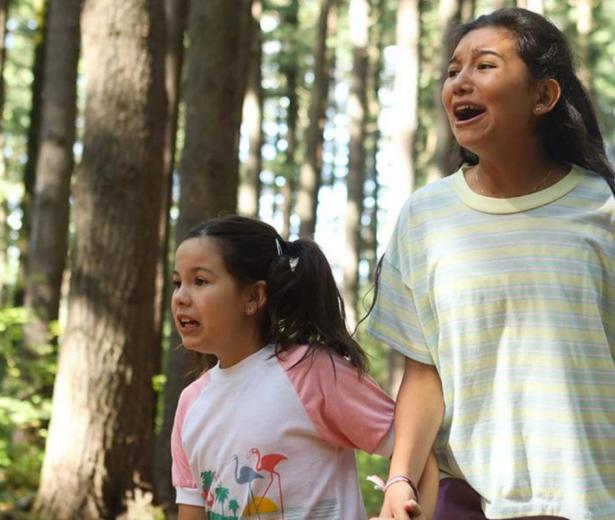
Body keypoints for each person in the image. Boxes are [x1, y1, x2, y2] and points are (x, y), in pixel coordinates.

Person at [368, 7, 615, 520]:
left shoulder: (604, 207)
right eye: (453, 69)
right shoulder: (424, 216)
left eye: (484, 66)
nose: (460, 82)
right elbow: (424, 370)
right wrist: (399, 480)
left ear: (544, 96)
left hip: (596, 500)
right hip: (469, 502)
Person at [170, 215, 439, 520]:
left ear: (253, 296)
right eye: (177, 283)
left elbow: (417, 451)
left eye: (200, 281)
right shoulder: (190, 404)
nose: (180, 298)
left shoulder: (312, 372)